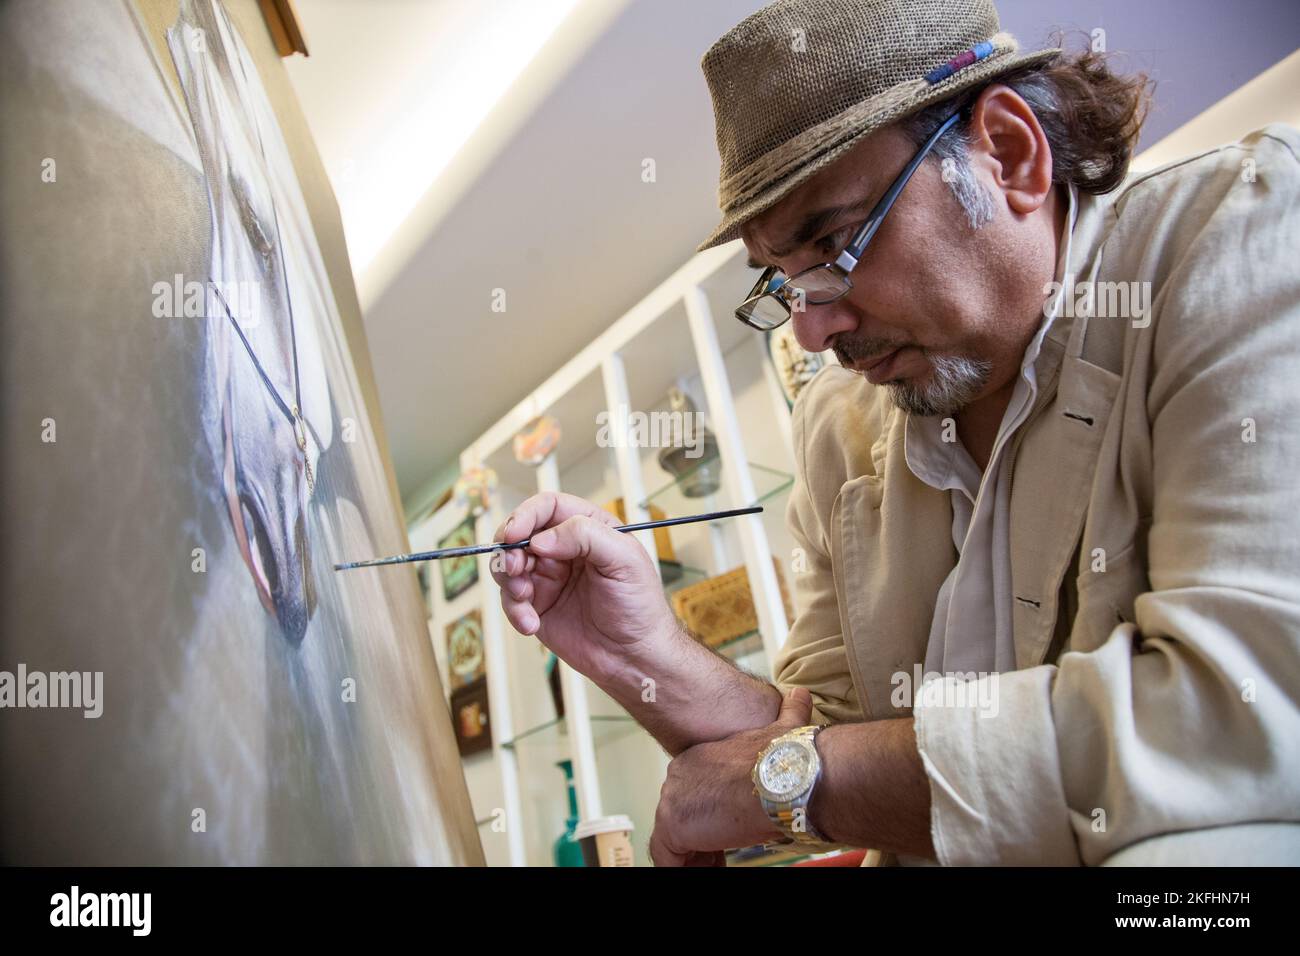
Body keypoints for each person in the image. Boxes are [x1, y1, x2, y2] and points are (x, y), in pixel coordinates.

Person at [491, 0, 1300, 866]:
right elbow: (825, 734)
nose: (810, 331)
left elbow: (1245, 723)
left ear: (1010, 155)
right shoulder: (837, 429)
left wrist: (801, 781)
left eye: (835, 243)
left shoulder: (1241, 233)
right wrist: (641, 653)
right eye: (788, 281)